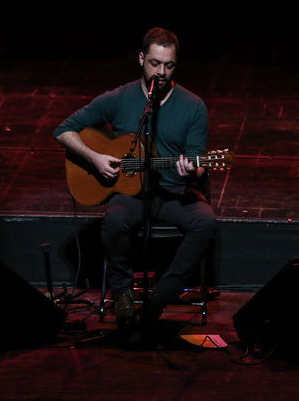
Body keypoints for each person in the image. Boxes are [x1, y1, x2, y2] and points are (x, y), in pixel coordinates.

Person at [54, 27, 216, 334]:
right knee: (114, 221)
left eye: (168, 65)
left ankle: (162, 297)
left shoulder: (193, 106)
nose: (162, 72)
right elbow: (63, 130)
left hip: (172, 192)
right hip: (131, 193)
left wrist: (192, 170)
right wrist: (95, 158)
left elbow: (197, 161)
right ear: (142, 59)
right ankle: (123, 295)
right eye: (155, 63)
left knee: (205, 223)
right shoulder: (119, 98)